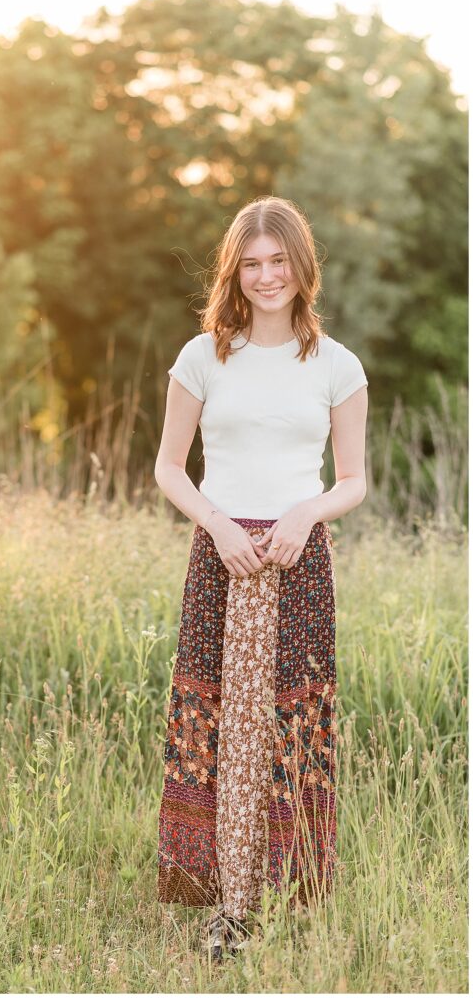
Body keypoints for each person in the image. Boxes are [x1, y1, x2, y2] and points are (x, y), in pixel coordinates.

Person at [154, 195, 369, 962]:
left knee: (285, 731)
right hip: (221, 557)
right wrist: (214, 524)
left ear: (300, 266)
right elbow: (168, 468)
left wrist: (306, 514)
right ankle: (223, 908)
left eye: (279, 260)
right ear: (234, 271)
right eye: (252, 263)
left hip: (296, 559)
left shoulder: (336, 365)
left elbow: (352, 480)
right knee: (220, 727)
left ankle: (279, 900)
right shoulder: (203, 355)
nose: (267, 275)